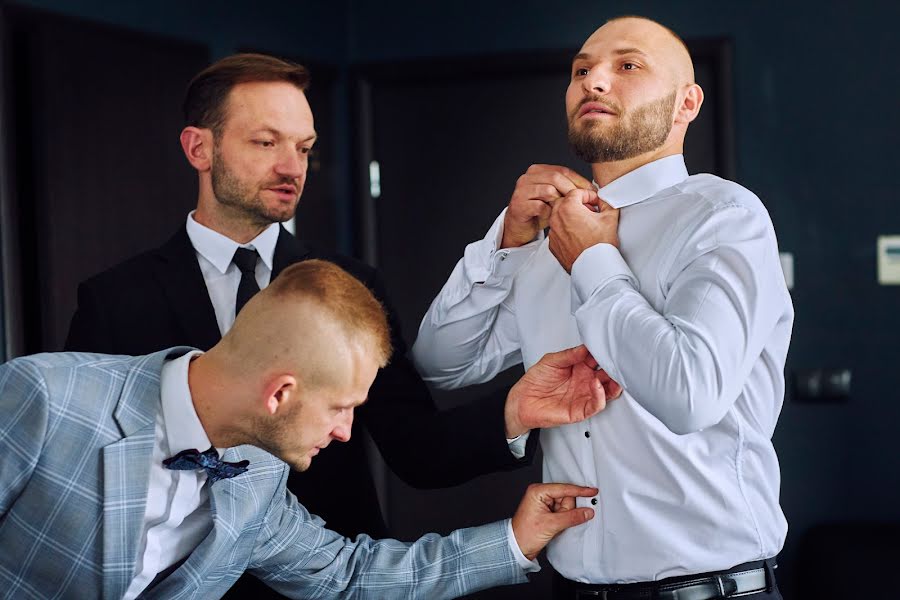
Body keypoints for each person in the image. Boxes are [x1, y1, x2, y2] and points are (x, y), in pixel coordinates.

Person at [63, 53, 611, 550]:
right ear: (198, 148)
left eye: (303, 148)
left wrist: (519, 408)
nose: (291, 166)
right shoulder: (115, 300)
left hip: (335, 575)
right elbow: (87, 472)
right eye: (265, 142)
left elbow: (419, 449)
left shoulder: (352, 284)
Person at [412, 16, 792, 600]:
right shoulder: (541, 240)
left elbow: (690, 394)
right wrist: (505, 245)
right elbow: (440, 364)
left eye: (628, 66)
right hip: (572, 587)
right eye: (581, 70)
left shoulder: (725, 217)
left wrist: (593, 261)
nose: (594, 82)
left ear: (686, 103)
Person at [0, 259, 601, 599]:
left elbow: (348, 576)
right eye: (341, 408)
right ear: (280, 392)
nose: (346, 432)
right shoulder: (43, 397)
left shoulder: (257, 475)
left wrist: (516, 540)